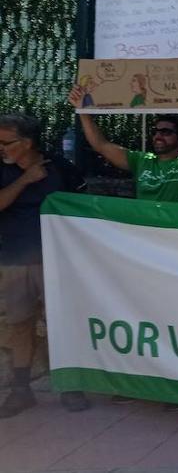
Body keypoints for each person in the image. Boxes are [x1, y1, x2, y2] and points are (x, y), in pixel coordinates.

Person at [0, 114, 90, 417]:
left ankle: (69, 386)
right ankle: (20, 389)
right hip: (14, 260)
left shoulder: (60, 168)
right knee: (19, 324)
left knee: (61, 322)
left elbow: (82, 208)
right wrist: (26, 179)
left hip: (55, 260)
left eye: (6, 142)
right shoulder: (3, 169)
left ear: (28, 142)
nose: (1, 148)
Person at [70, 81, 178, 202]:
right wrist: (82, 110)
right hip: (143, 231)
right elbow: (101, 145)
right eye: (155, 131)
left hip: (174, 229)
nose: (158, 136)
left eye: (166, 132)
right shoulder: (140, 160)